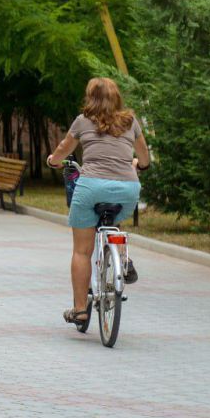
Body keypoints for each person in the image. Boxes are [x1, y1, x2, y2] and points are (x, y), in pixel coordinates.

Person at [47, 77, 149, 328]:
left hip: (91, 187)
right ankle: (122, 258)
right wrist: (139, 164)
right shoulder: (130, 122)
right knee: (115, 218)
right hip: (127, 189)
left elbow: (64, 148)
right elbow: (144, 156)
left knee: (82, 250)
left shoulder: (83, 121)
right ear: (117, 97)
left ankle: (80, 309)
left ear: (90, 97)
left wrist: (54, 160)